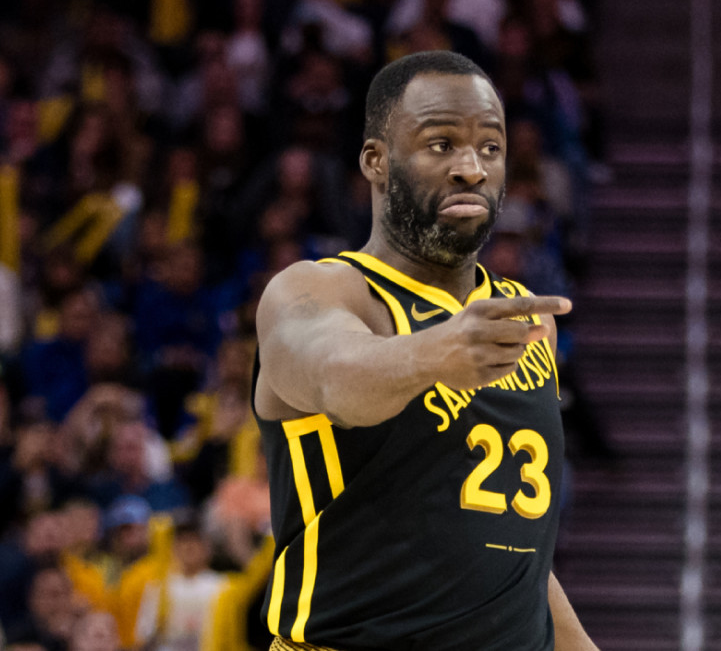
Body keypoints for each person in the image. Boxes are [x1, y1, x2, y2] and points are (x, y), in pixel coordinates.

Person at [253, 51, 596, 650]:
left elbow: (514, 554)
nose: (471, 168)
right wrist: (436, 353)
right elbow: (335, 378)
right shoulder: (320, 290)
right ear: (375, 160)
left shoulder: (521, 316)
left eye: (490, 148)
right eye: (441, 145)